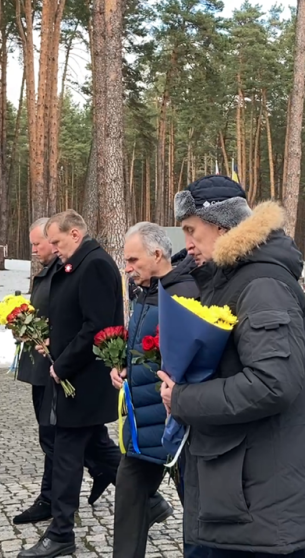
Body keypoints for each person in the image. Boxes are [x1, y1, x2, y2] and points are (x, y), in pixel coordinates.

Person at [157, 175, 305, 558]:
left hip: (256, 500)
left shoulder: (262, 284)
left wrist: (183, 399)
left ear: (220, 225)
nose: (187, 243)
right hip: (238, 488)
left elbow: (272, 383)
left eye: (191, 230)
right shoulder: (230, 277)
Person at [19, 211, 123, 558]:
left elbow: (96, 326)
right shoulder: (79, 264)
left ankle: (61, 532)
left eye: (57, 241)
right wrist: (51, 342)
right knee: (92, 448)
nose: (54, 248)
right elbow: (74, 318)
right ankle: (150, 500)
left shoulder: (94, 265)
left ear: (75, 234)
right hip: (74, 377)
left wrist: (61, 365)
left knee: (66, 456)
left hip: (83, 380)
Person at [110, 222, 199, 558]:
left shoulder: (185, 292)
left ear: (157, 254)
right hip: (142, 426)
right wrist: (122, 365)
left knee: (199, 516)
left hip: (178, 426)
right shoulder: (143, 290)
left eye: (133, 260)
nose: (127, 268)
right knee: (128, 503)